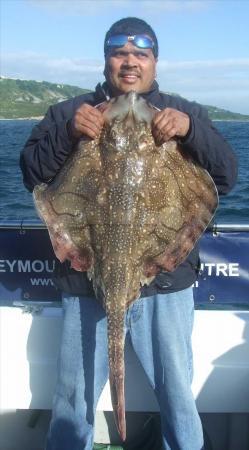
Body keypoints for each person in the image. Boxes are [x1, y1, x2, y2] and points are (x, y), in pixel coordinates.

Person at [20, 17, 237, 450]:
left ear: (155, 62)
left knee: (178, 395)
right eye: (120, 53)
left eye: (141, 54)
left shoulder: (184, 112)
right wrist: (69, 133)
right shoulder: (69, 113)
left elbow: (225, 176)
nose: (130, 62)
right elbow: (33, 174)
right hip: (86, 280)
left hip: (166, 284)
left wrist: (190, 132)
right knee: (73, 401)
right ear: (106, 61)